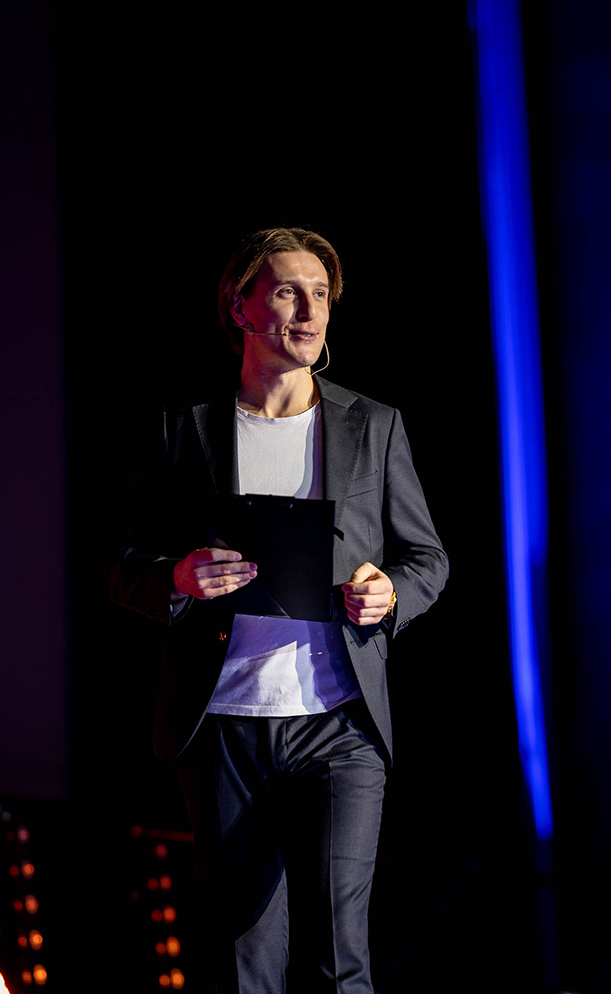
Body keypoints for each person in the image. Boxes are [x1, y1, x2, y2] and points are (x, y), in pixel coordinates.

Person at [104, 227, 448, 992]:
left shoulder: (374, 425)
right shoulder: (184, 429)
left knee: (339, 958)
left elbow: (428, 559)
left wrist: (390, 593)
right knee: (244, 962)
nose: (310, 311)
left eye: (321, 294)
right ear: (240, 307)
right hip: (222, 725)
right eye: (289, 291)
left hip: (339, 723)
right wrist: (178, 577)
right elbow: (122, 566)